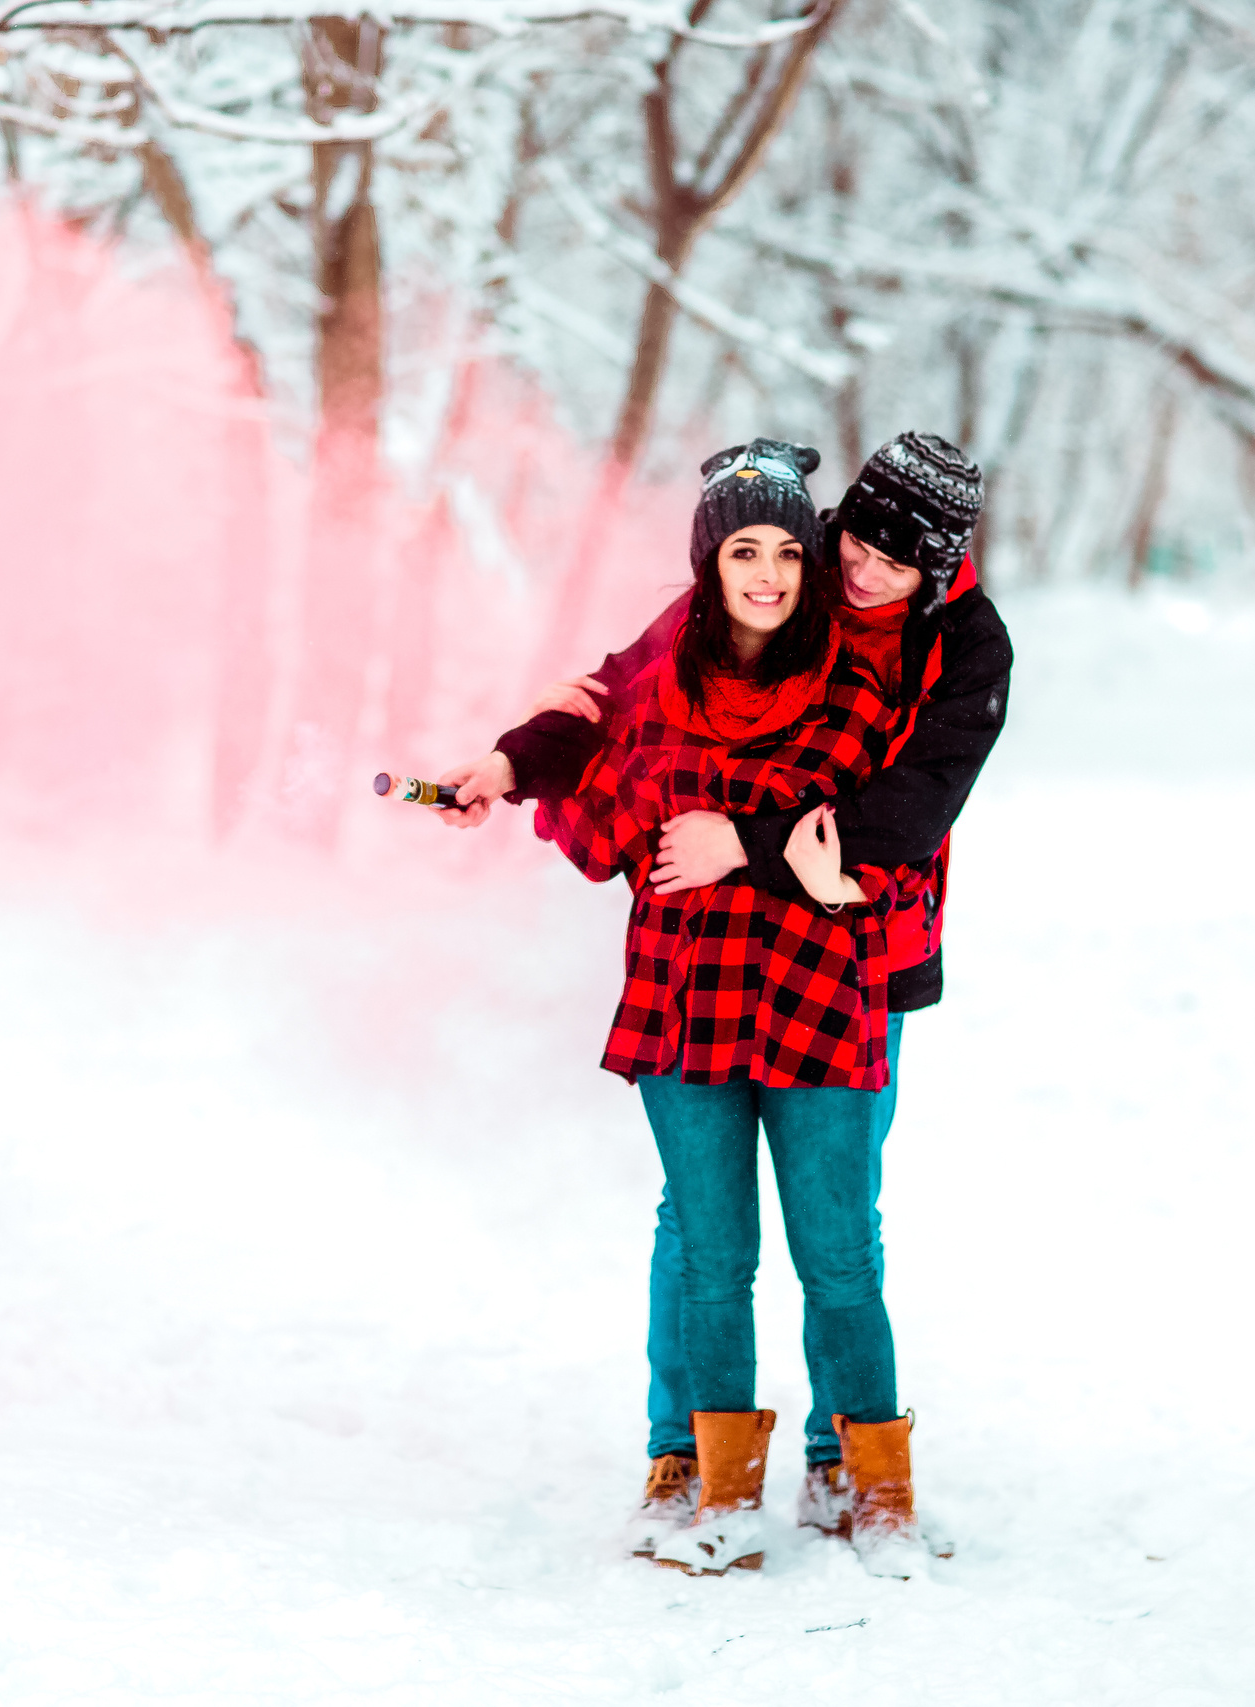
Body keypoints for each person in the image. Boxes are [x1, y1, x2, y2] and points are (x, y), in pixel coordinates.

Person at [437, 432, 1011, 1573]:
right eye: (854, 542)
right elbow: (610, 701)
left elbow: (907, 810)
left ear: (939, 567)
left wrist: (734, 843)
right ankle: (685, 1454)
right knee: (701, 1234)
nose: (862, 573)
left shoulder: (958, 645)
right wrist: (513, 759)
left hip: (856, 957)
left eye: (899, 562)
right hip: (698, 979)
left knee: (835, 1232)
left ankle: (843, 1462)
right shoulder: (771, 580)